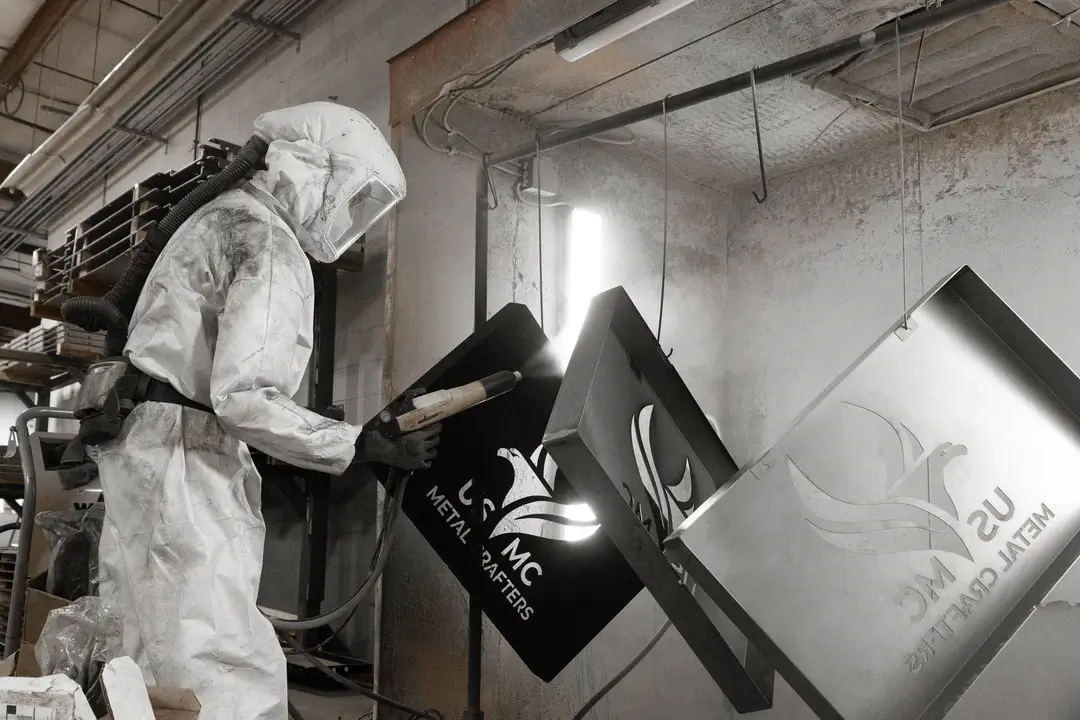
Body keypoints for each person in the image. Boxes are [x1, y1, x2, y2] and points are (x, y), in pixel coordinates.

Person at [91, 102, 441, 720]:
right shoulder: (269, 243)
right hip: (183, 459)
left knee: (140, 647)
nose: (352, 219)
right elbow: (246, 397)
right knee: (215, 662)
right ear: (317, 169)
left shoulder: (221, 217)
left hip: (149, 445)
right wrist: (358, 442)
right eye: (355, 197)